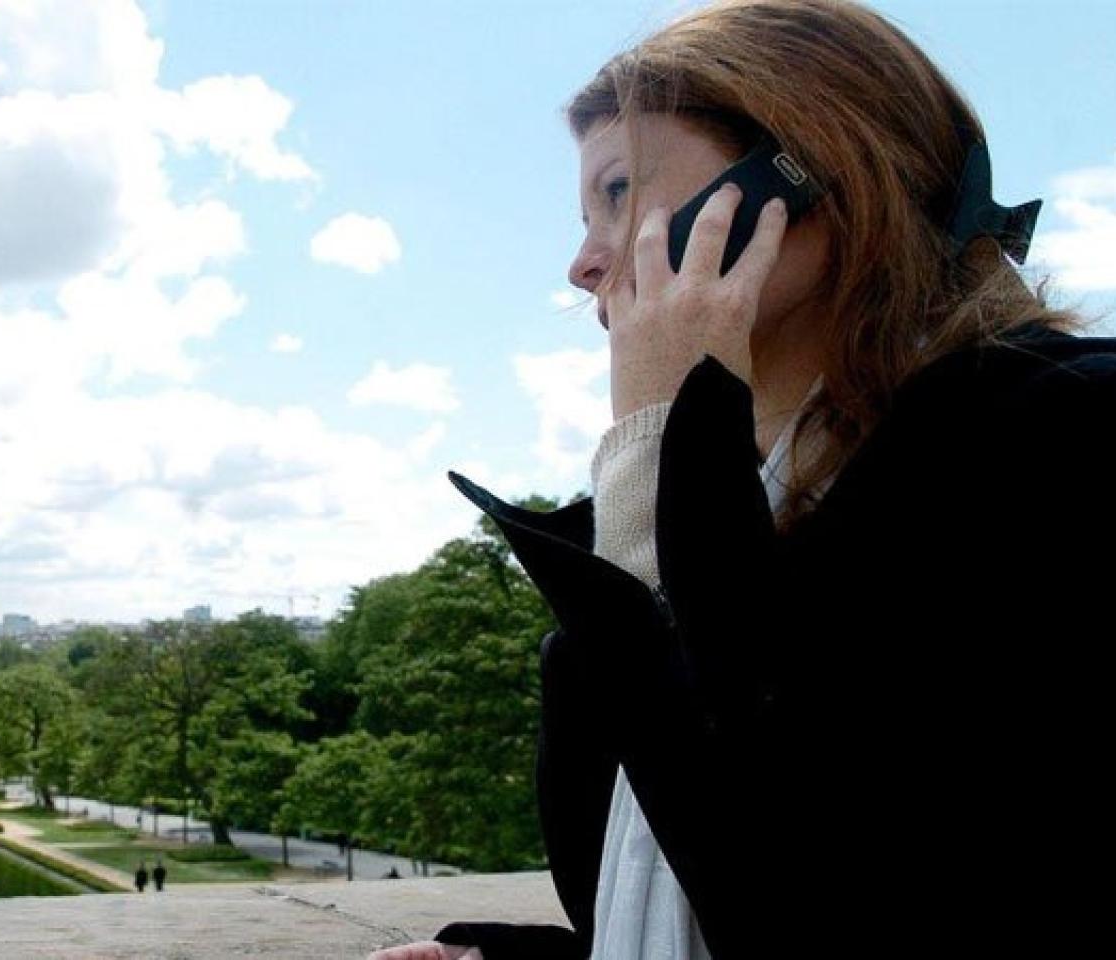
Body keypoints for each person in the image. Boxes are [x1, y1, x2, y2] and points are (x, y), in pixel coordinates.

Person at [370, 1, 1111, 958]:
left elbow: (818, 879)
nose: (583, 263)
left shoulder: (1064, 438)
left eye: (619, 191)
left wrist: (663, 452)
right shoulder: (760, 501)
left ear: (803, 178)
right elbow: (706, 871)